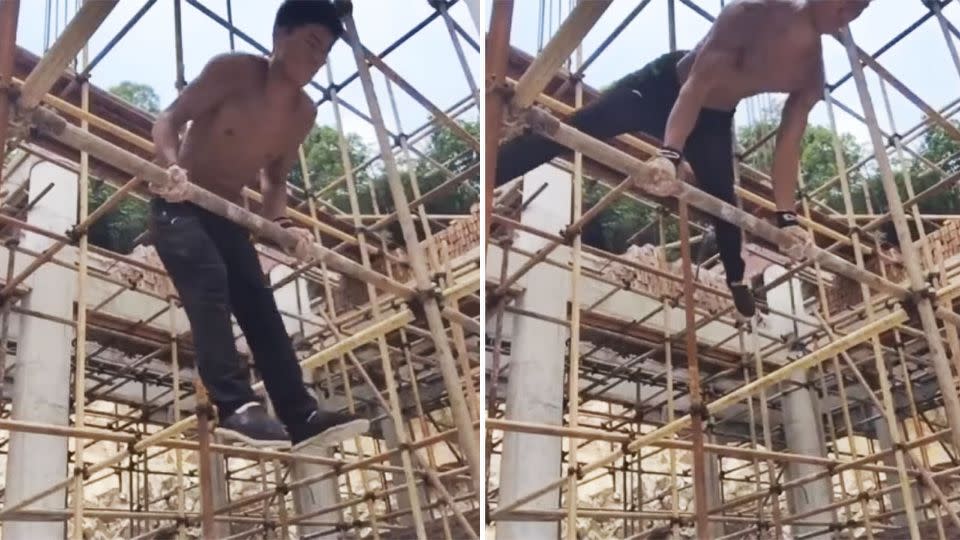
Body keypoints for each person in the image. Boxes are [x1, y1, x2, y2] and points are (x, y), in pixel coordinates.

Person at [494, 0, 871, 317]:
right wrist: (670, 154)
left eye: (859, 10)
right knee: (580, 127)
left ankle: (736, 278)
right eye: (846, 1)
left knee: (724, 201)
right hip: (665, 87)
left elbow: (788, 146)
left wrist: (787, 219)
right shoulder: (750, 14)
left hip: (714, 119)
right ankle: (494, 170)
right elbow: (696, 85)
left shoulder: (810, 75)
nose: (847, 15)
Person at [148, 0, 369, 450]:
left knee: (261, 309)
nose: (316, 60)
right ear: (279, 36)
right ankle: (236, 406)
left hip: (230, 218)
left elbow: (275, 180)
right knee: (208, 281)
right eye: (310, 44)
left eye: (325, 53)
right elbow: (168, 118)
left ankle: (301, 414)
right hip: (180, 204)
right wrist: (171, 169)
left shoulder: (304, 115)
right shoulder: (231, 72)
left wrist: (281, 226)